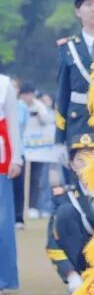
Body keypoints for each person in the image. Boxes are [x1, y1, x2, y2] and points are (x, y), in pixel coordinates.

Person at [46, 132, 94, 295]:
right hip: (81, 261)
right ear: (72, 164)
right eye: (81, 159)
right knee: (65, 213)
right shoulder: (64, 196)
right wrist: (72, 276)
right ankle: (81, 281)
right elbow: (53, 240)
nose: (87, 164)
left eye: (93, 157)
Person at [54, 0, 94, 162]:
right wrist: (59, 139)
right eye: (88, 4)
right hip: (78, 124)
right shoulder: (68, 47)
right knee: (81, 176)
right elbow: (63, 93)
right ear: (78, 11)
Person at [0, 73, 22, 293]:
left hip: (1, 161)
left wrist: (17, 158)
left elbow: (13, 123)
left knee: (3, 220)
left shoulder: (4, 84)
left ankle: (5, 278)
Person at [19, 82, 53, 219]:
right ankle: (21, 206)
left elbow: (47, 120)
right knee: (21, 178)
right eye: (26, 94)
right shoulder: (17, 105)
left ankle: (32, 206)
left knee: (35, 178)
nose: (28, 97)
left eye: (30, 94)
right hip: (21, 147)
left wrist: (38, 114)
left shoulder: (39, 105)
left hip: (37, 147)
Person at [10, 77, 29, 229]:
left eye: (15, 87)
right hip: (3, 152)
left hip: (17, 151)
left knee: (18, 187)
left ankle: (18, 218)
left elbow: (20, 126)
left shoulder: (21, 106)